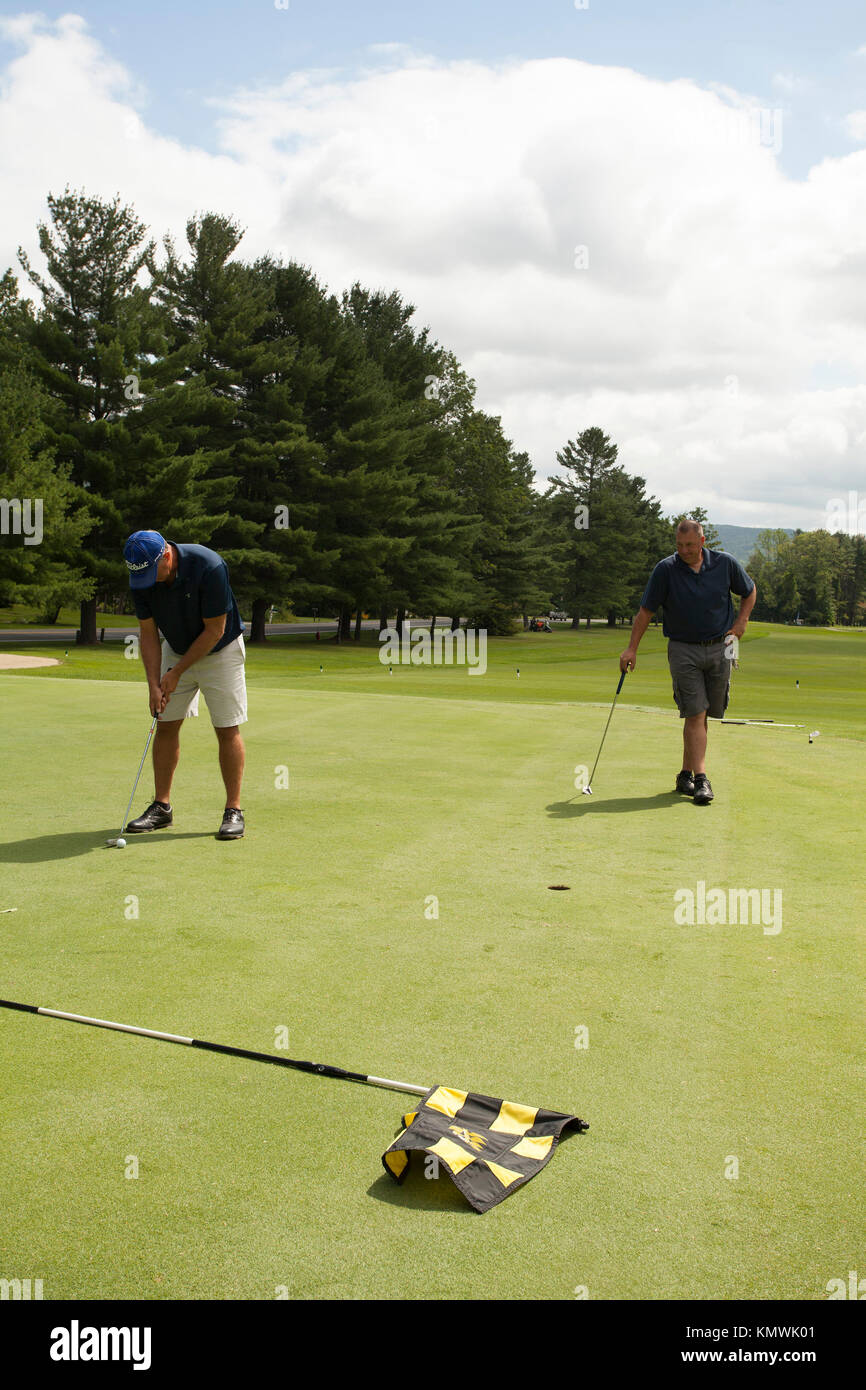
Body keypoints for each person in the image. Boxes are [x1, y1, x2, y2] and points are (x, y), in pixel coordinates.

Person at [619, 518, 756, 805]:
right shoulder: (665, 569)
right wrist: (632, 649)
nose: (684, 550)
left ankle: (685, 774)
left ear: (702, 542)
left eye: (690, 545)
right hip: (683, 649)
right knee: (696, 711)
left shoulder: (725, 563)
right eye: (680, 545)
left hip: (721, 646)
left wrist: (741, 622)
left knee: (703, 714)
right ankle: (702, 779)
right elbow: (646, 611)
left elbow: (749, 590)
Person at [122, 530, 247, 839]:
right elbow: (148, 634)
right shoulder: (141, 574)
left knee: (226, 727)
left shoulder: (209, 566)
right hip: (175, 647)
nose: (148, 581)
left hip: (220, 649)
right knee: (165, 724)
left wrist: (176, 672)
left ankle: (234, 810)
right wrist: (153, 683)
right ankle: (161, 808)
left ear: (167, 555)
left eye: (154, 573)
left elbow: (215, 630)